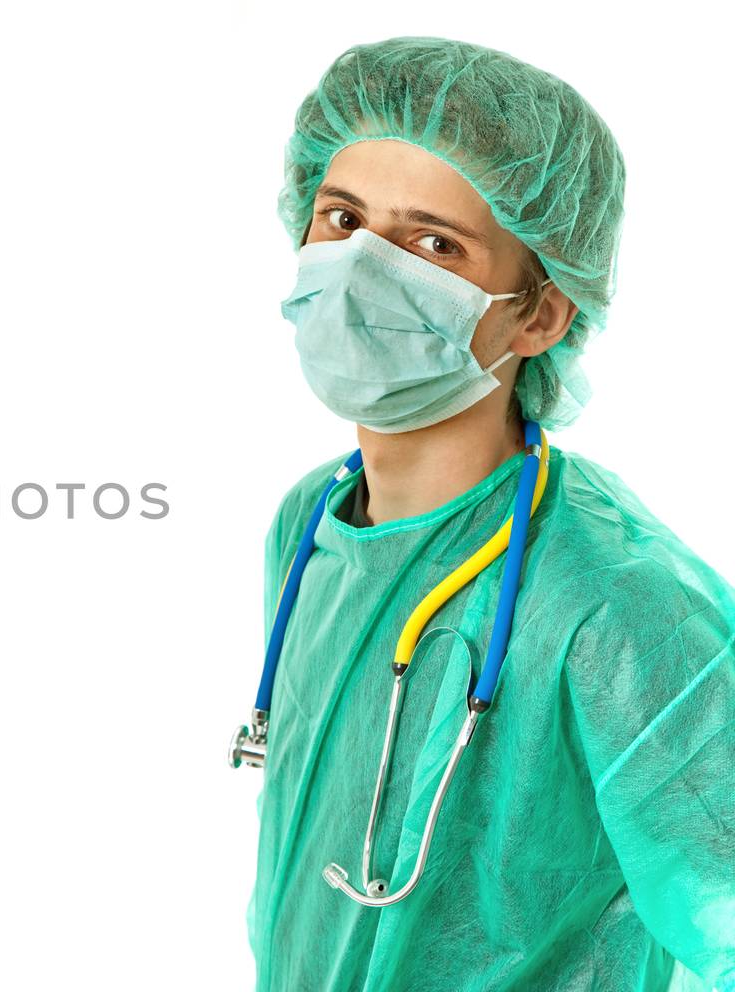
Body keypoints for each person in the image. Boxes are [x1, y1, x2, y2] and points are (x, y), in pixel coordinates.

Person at [243, 37, 735, 990]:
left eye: (435, 245)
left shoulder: (620, 603)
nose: (361, 269)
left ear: (540, 316)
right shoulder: (314, 526)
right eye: (340, 218)